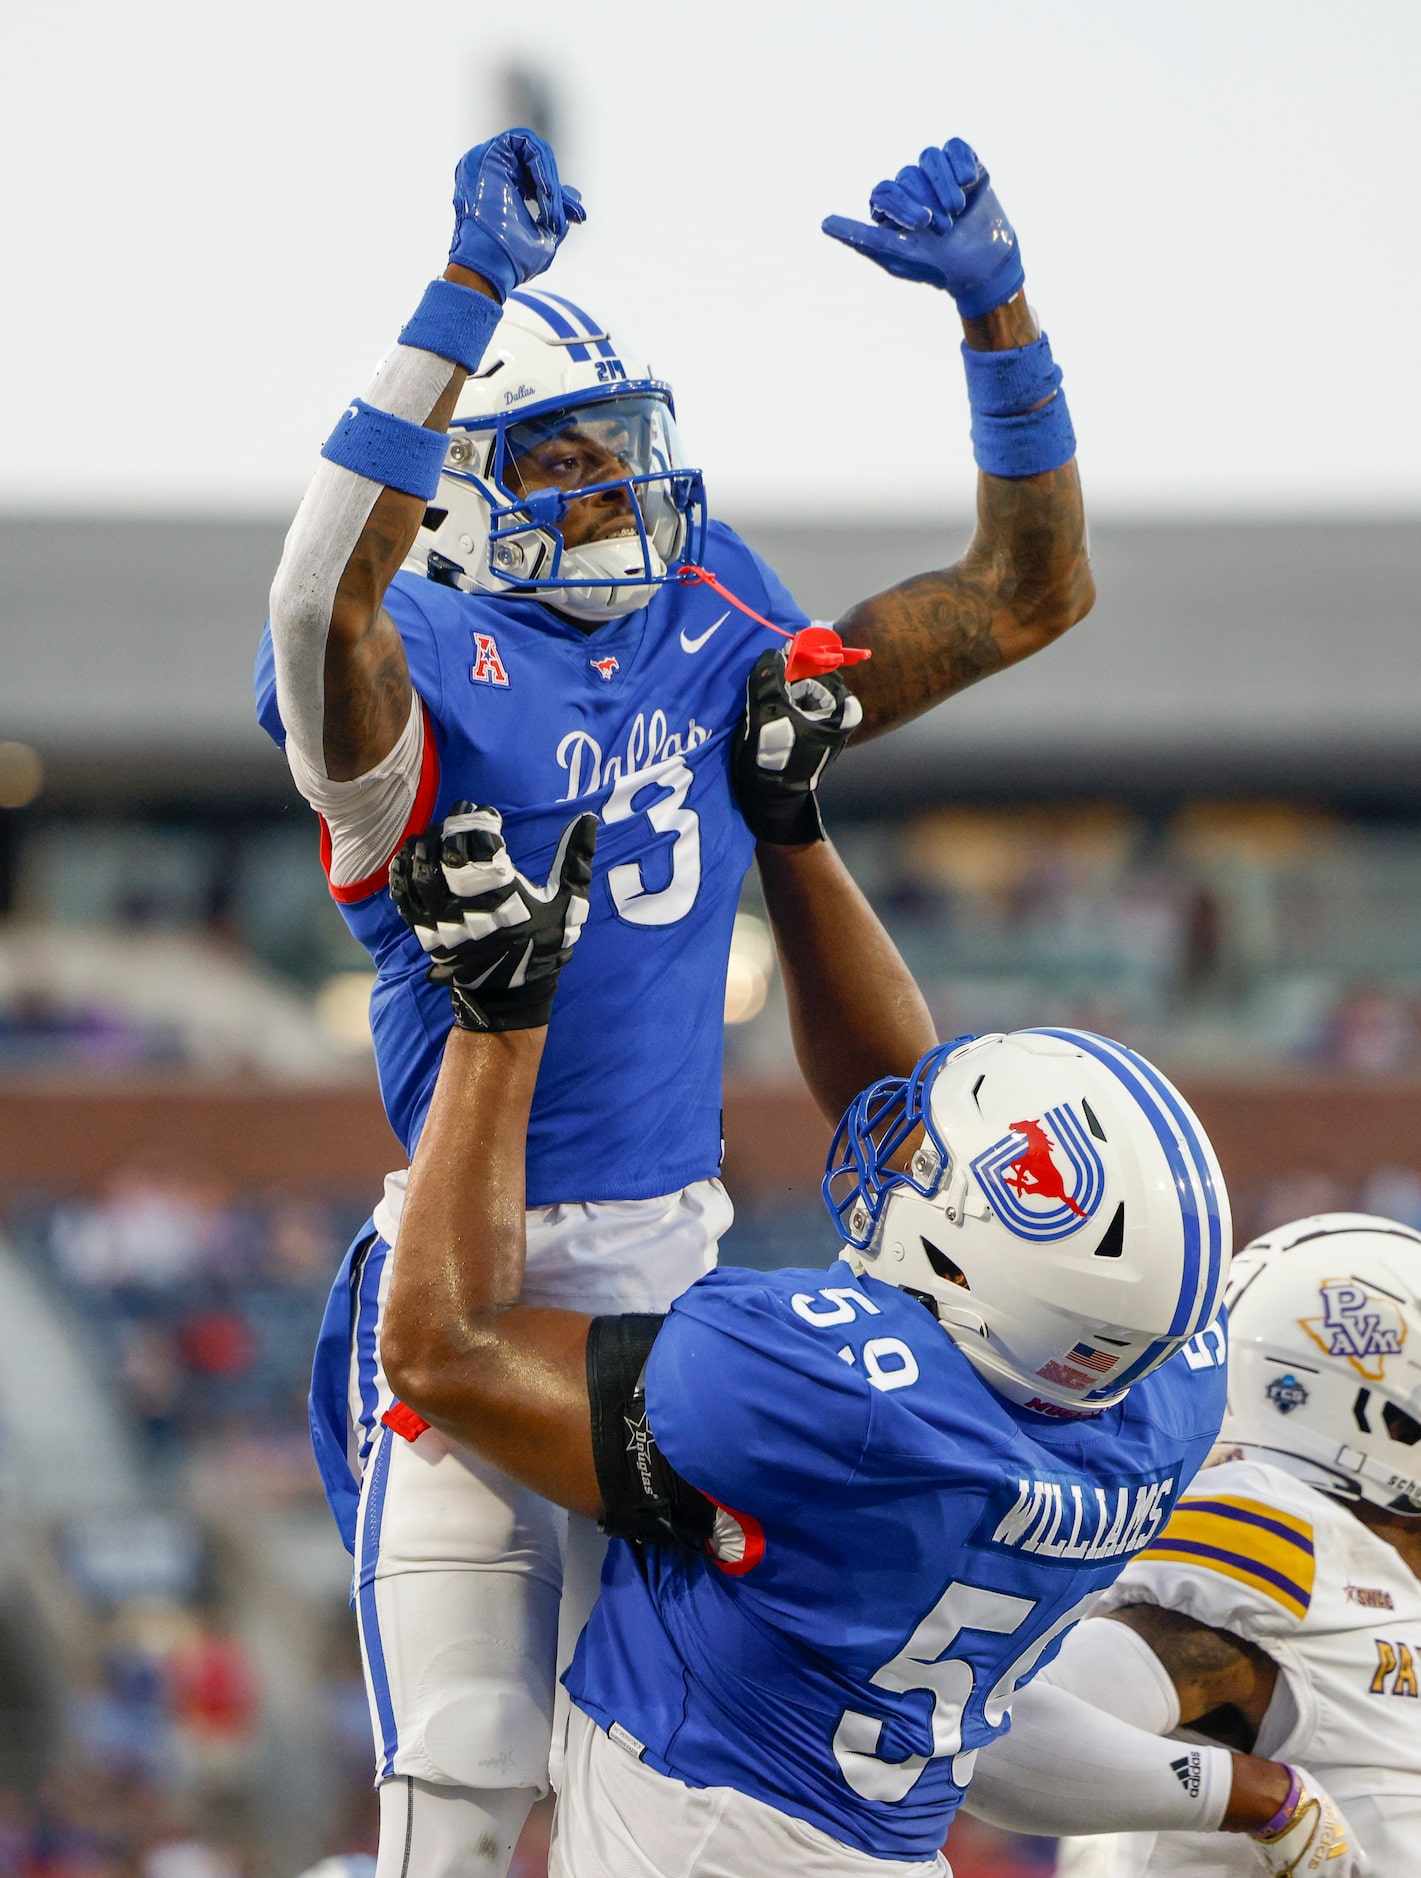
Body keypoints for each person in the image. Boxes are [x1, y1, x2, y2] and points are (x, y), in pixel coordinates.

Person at [256, 124, 1093, 1874]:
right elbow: (308, 593)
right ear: (451, 494)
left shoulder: (710, 608)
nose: (609, 493)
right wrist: (459, 291)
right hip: (478, 1262)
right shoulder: (408, 677)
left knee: (687, 1761)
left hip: (682, 1277)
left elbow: (1028, 594)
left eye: (614, 453)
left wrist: (1000, 317)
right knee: (472, 1781)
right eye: (554, 461)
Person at [372, 743, 1366, 1876]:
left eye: (930, 1169)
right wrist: (791, 833)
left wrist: (498, 1020)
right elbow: (916, 1115)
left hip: (708, 1840)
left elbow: (442, 1352)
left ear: (967, 1265)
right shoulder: (1155, 1394)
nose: (898, 1147)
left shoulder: (826, 1400)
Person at [969, 1210, 1418, 1874]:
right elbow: (987, 1735)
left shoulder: (1377, 1582)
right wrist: (1270, 1801)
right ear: (1379, 1408)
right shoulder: (1286, 1537)